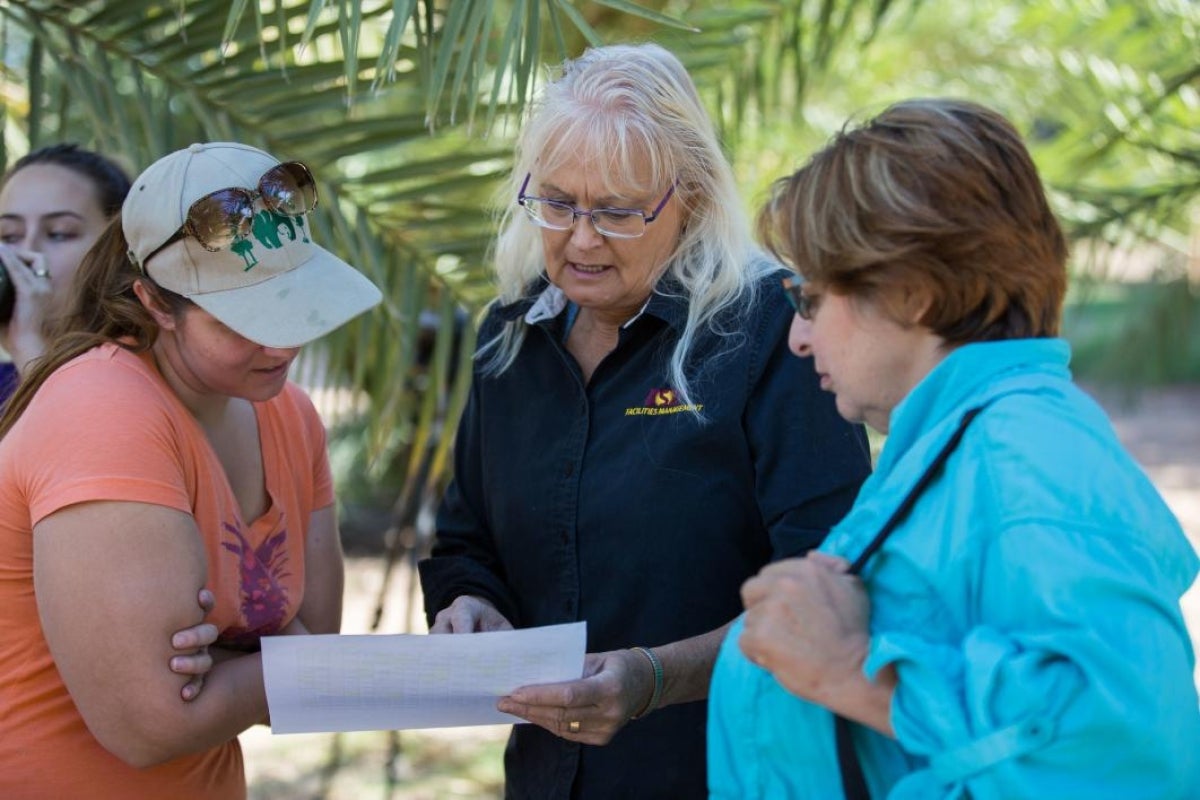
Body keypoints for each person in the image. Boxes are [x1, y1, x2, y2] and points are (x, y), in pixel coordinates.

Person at [707, 98, 1200, 798]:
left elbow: (1129, 758)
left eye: (811, 297)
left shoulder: (1027, 459)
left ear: (909, 293)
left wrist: (855, 670)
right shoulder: (965, 445)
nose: (798, 337)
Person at [418, 43, 871, 799]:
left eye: (619, 212)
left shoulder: (770, 334)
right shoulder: (510, 333)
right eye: (557, 203)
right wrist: (472, 606)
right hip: (548, 778)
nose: (582, 237)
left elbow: (833, 589)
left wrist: (655, 679)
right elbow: (466, 540)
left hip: (735, 772)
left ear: (690, 198)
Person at [0, 141, 382, 798]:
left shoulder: (288, 411)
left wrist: (229, 664)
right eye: (244, 318)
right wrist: (273, 658)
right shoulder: (101, 409)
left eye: (293, 298)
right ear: (154, 303)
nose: (283, 343)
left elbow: (318, 637)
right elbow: (150, 725)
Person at [0, 144, 132, 402]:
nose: (28, 254)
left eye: (59, 234)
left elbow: (89, 434)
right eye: (9, 235)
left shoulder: (137, 373)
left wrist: (30, 346)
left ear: (118, 249)